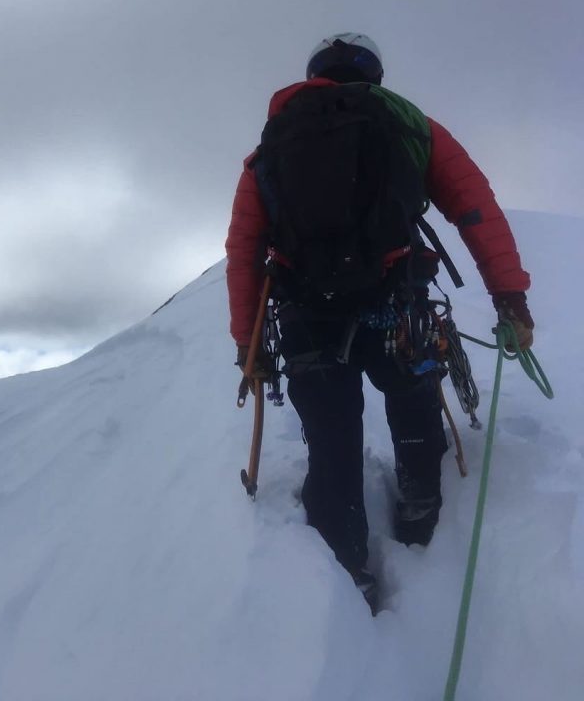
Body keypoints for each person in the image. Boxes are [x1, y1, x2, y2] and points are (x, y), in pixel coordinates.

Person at [225, 33, 534, 611]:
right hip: (395, 300)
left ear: (315, 74)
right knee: (412, 398)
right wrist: (508, 294)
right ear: (374, 75)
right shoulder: (411, 125)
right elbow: (474, 208)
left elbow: (245, 247)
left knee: (332, 434)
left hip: (305, 308)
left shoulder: (273, 143)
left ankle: (345, 569)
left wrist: (247, 340)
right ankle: (419, 513)